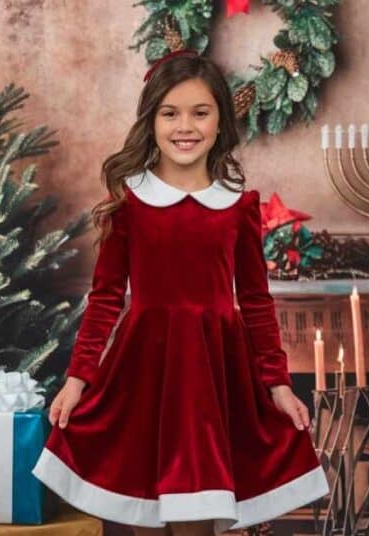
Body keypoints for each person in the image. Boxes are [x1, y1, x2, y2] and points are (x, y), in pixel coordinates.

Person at [30, 51, 329, 536]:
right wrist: (77, 378)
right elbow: (106, 297)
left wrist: (277, 384)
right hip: (144, 371)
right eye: (169, 113)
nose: (184, 126)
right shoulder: (129, 203)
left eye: (200, 112)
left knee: (196, 510)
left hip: (213, 376)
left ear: (220, 123)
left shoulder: (238, 207)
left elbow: (255, 301)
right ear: (151, 121)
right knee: (144, 505)